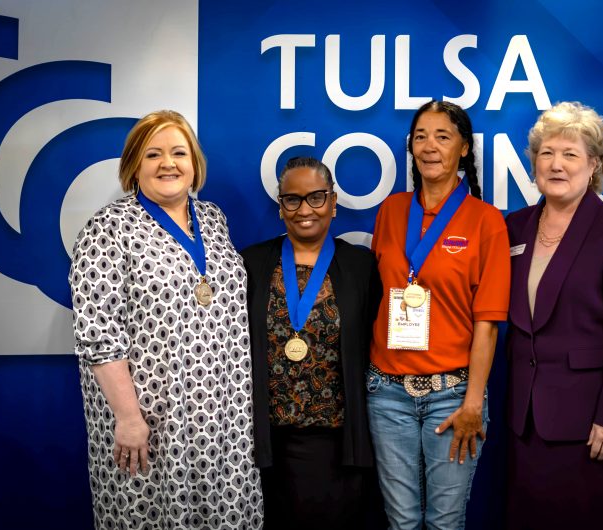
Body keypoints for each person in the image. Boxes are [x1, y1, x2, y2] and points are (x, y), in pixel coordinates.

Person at [69, 110, 262, 529]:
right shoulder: (107, 229)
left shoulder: (212, 219)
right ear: (134, 165)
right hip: (152, 423)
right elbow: (98, 334)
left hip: (221, 420)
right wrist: (128, 418)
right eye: (153, 154)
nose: (168, 164)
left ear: (194, 163)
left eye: (179, 152)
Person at [505, 101, 603, 529]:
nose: (556, 164)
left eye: (570, 154)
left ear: (594, 165)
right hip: (526, 423)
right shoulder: (514, 227)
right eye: (547, 153)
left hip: (593, 426)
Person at [367, 101, 511, 529]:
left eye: (443, 137)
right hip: (387, 393)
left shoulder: (487, 222)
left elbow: (487, 325)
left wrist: (472, 403)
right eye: (421, 136)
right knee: (401, 521)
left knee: (445, 523)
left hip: (453, 395)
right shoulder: (391, 212)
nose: (430, 146)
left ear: (464, 149)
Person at [240, 157, 383, 529]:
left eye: (316, 198)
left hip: (339, 443)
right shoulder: (252, 264)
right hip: (268, 446)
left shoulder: (361, 266)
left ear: (334, 204)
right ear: (280, 206)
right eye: (292, 199)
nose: (305, 209)